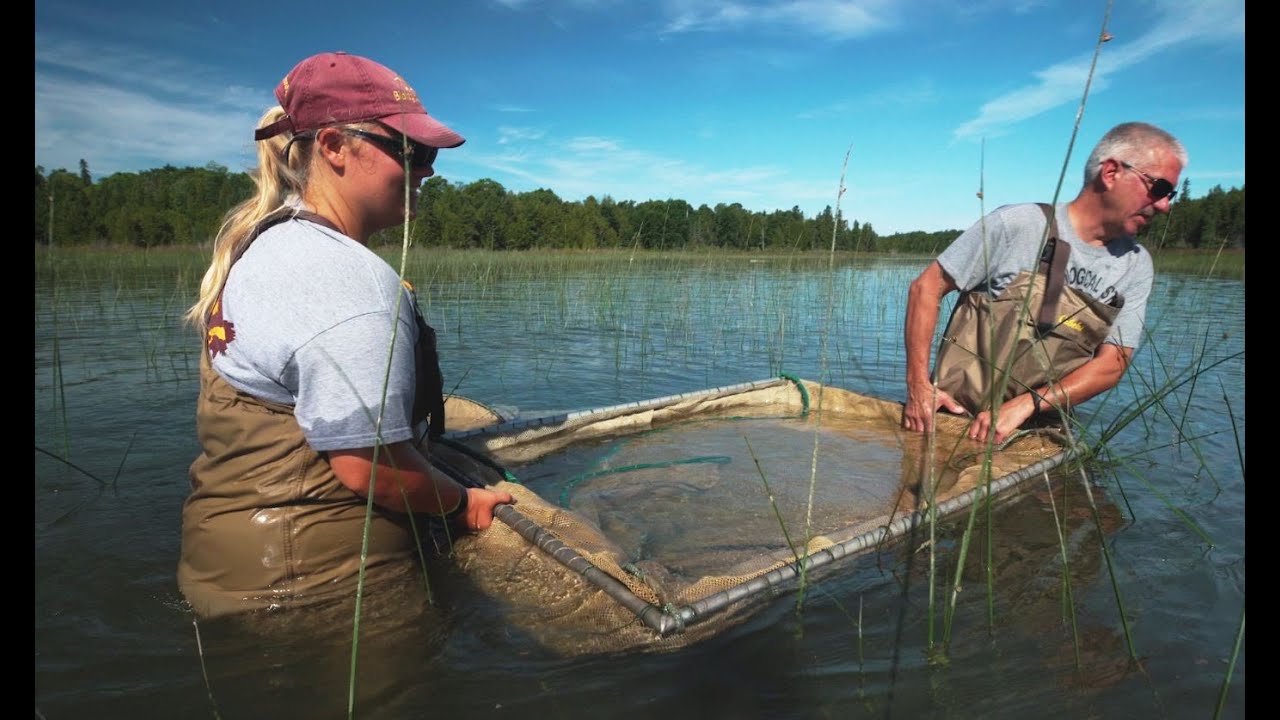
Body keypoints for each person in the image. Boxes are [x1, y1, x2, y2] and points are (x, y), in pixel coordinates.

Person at [178, 51, 514, 618]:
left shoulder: (268, 240)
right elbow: (371, 469)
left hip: (227, 566)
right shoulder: (344, 280)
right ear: (334, 146)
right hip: (318, 587)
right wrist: (462, 501)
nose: (427, 170)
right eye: (412, 151)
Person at [903, 122, 1186, 445]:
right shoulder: (1018, 224)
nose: (1165, 205)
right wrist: (918, 387)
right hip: (954, 420)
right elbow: (926, 288)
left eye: (1170, 194)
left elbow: (1112, 364)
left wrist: (1027, 405)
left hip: (1038, 433)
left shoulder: (1136, 265)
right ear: (1111, 172)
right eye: (1159, 188)